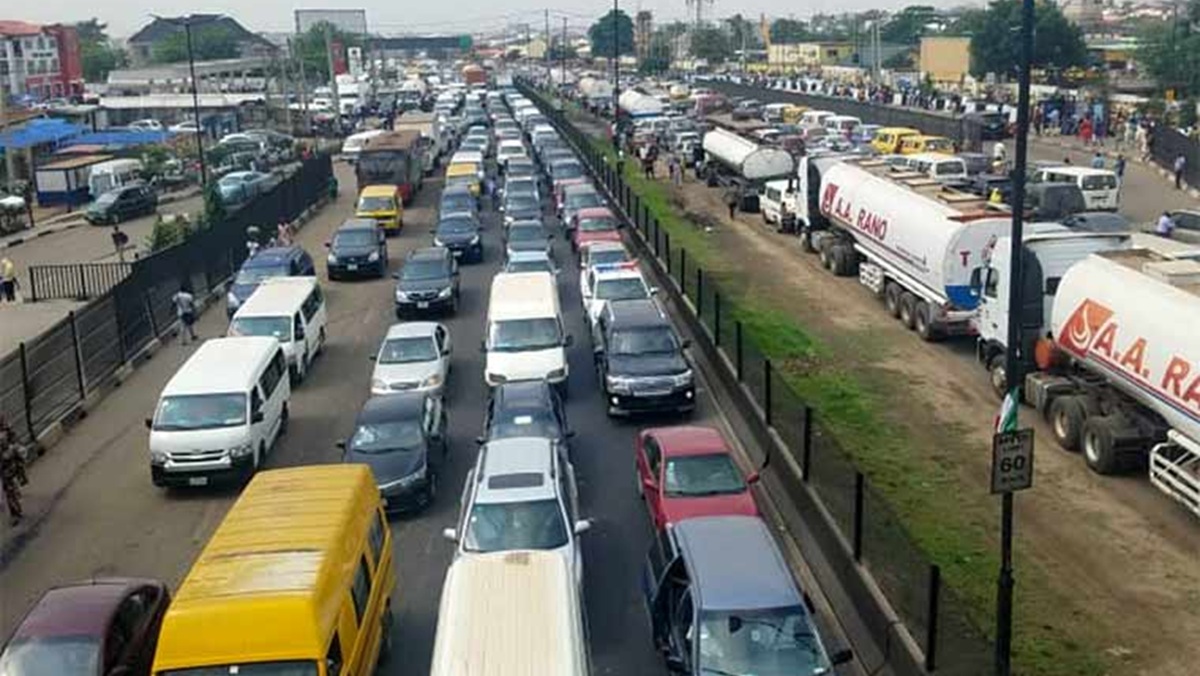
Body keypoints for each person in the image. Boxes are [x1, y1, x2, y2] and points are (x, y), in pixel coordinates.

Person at [1, 416, 26, 526]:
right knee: (7, 486)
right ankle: (15, 511)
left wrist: (13, 447)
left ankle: (15, 513)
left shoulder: (2, 422)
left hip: (6, 458)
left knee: (9, 485)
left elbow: (12, 435)